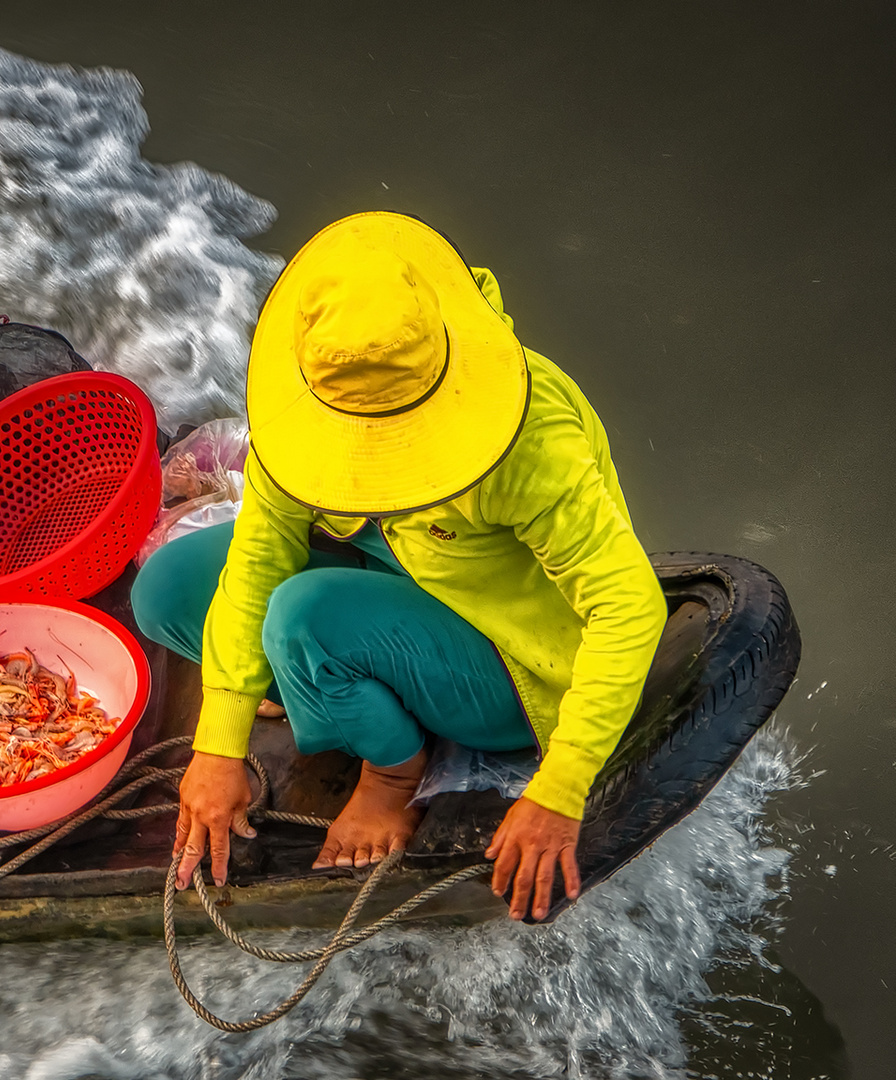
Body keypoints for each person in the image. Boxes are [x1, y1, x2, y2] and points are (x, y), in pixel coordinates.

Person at [133, 212, 667, 921]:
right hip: (395, 581)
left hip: (510, 656)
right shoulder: (306, 408)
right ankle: (338, 692)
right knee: (166, 589)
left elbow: (630, 606)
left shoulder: (528, 434)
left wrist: (561, 791)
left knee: (303, 616)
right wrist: (218, 745)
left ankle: (392, 774)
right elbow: (258, 561)